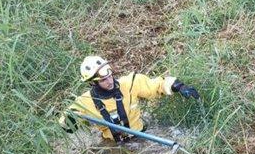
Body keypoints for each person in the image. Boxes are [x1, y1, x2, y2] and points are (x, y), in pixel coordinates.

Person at [59, 55, 200, 142]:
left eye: (110, 76)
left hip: (142, 136)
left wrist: (179, 86)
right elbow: (66, 123)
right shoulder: (84, 103)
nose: (110, 81)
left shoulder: (130, 83)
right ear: (92, 83)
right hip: (114, 146)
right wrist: (68, 121)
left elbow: (157, 85)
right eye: (103, 80)